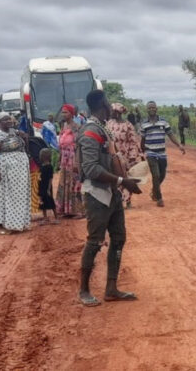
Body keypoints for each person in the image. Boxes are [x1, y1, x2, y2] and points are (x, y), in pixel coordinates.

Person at [77, 90, 142, 307]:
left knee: (118, 238)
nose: (110, 108)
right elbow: (91, 168)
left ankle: (111, 288)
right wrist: (122, 182)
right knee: (94, 242)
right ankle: (84, 290)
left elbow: (112, 158)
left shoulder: (102, 128)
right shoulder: (90, 131)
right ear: (102, 105)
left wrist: (125, 180)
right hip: (96, 194)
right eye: (107, 103)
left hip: (111, 192)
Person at [0, 112, 31, 234]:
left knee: (17, 197)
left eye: (9, 119)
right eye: (6, 120)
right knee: (2, 197)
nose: (9, 121)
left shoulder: (13, 132)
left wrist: (23, 136)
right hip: (4, 171)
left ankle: (17, 223)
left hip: (18, 173)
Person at [140, 101, 185, 207]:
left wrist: (179, 145)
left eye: (153, 107)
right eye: (149, 108)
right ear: (147, 110)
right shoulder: (144, 124)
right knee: (156, 175)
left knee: (162, 175)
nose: (152, 109)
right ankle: (159, 198)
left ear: (156, 109)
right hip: (150, 153)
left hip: (162, 153)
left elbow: (171, 135)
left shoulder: (163, 122)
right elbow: (142, 140)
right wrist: (142, 153)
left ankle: (154, 190)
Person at [106, 103, 145, 209]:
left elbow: (133, 141)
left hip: (126, 157)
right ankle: (116, 200)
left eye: (113, 111)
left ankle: (127, 201)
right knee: (115, 178)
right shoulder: (109, 124)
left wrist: (133, 156)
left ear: (117, 113)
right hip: (113, 156)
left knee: (126, 177)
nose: (111, 113)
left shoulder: (128, 125)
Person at [56, 104, 83, 218]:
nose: (63, 114)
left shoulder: (76, 127)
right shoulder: (64, 126)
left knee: (74, 184)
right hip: (64, 159)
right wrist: (59, 158)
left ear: (72, 114)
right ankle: (66, 210)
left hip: (73, 158)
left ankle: (78, 211)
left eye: (66, 112)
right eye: (62, 112)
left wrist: (77, 162)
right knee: (64, 183)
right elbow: (61, 145)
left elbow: (78, 145)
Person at [38, 148, 58, 224]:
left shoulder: (49, 167)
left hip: (47, 187)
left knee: (50, 201)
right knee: (42, 202)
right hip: (42, 187)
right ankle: (45, 218)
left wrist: (49, 189)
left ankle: (56, 217)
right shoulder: (42, 166)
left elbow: (50, 178)